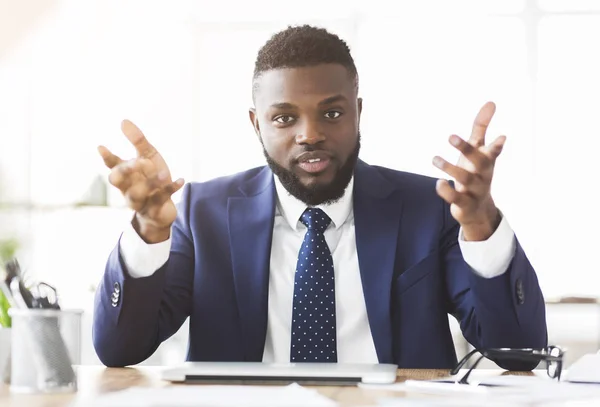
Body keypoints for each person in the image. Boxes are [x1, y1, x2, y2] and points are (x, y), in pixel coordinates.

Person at [93, 25, 547, 369]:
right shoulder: (202, 212)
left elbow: (521, 354)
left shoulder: (431, 208)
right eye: (285, 118)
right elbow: (120, 350)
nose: (310, 134)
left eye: (331, 112)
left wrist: (482, 223)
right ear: (257, 124)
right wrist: (150, 231)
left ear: (358, 112)